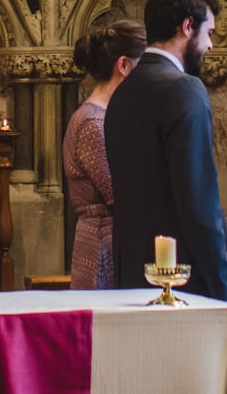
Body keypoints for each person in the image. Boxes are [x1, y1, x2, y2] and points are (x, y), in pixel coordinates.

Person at [104, 0, 227, 300]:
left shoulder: (122, 93)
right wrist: (222, 280)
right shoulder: (184, 89)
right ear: (188, 27)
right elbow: (199, 199)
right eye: (210, 33)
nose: (211, 46)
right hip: (181, 281)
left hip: (132, 276)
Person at [64, 18, 147, 289]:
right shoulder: (92, 122)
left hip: (112, 238)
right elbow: (117, 192)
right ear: (123, 66)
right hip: (102, 245)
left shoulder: (104, 116)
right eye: (142, 66)